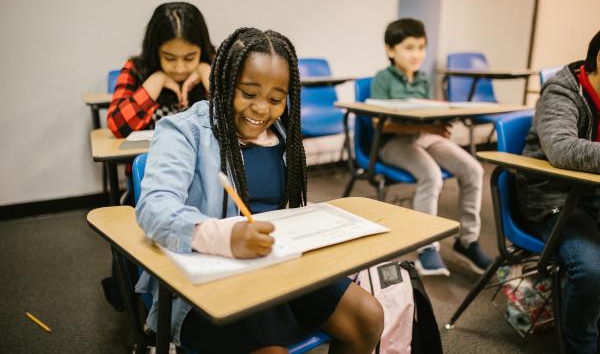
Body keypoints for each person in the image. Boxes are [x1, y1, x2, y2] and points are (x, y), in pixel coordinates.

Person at [135, 27, 384, 354]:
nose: (262, 109)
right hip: (213, 282)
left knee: (368, 316)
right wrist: (226, 238)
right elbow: (154, 207)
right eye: (249, 94)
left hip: (282, 269)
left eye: (275, 99)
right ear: (223, 85)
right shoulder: (184, 131)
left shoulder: (284, 134)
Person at [370, 18, 492, 276]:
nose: (417, 54)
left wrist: (440, 120)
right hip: (394, 143)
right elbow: (380, 124)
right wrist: (428, 127)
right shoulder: (382, 79)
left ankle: (467, 240)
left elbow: (426, 113)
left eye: (421, 47)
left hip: (425, 137)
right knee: (432, 175)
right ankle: (427, 247)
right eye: (409, 47)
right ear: (390, 50)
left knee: (473, 169)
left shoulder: (424, 79)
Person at [517, 30, 600, 354]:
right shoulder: (562, 91)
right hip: (555, 199)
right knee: (592, 270)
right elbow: (562, 149)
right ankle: (582, 344)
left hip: (592, 196)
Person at [107, 2, 214, 138]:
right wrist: (156, 81)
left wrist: (207, 74)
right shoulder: (136, 69)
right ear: (155, 51)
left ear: (202, 49)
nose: (180, 69)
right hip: (152, 158)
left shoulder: (215, 66)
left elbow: (237, 123)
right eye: (169, 58)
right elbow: (117, 127)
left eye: (189, 58)